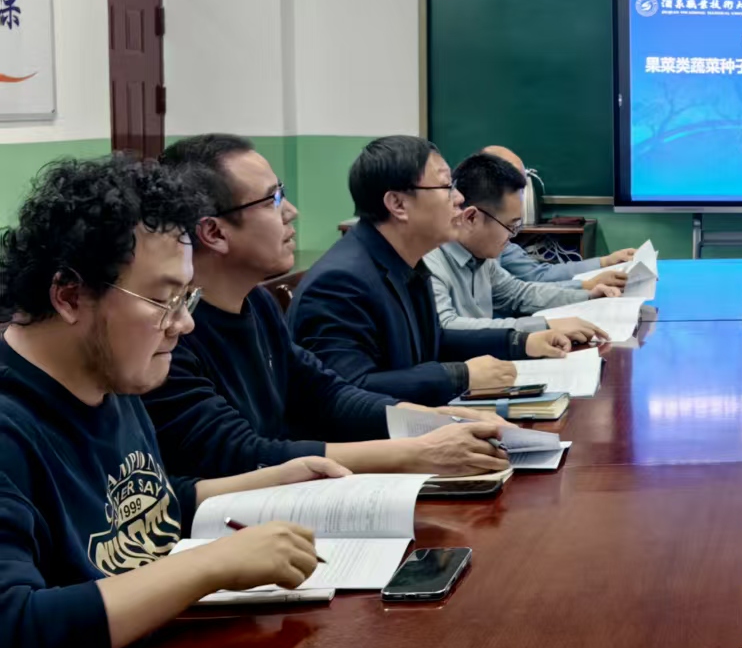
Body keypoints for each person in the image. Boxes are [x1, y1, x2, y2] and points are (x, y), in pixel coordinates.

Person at [0, 155, 346, 648]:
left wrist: (271, 480)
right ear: (70, 295)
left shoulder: (111, 376)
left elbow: (141, 508)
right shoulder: (12, 426)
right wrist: (211, 564)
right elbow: (15, 631)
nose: (184, 324)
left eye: (189, 296)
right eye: (164, 299)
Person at [149, 134, 508, 479]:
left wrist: (435, 422)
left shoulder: (256, 302)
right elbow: (240, 453)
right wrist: (419, 451)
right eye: (273, 199)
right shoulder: (168, 335)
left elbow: (328, 394)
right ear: (214, 232)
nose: (291, 211)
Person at [290, 137, 591, 406]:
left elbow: (435, 340)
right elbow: (349, 391)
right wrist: (461, 376)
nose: (459, 199)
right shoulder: (340, 283)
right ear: (398, 204)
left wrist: (520, 342)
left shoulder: (407, 261)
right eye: (446, 187)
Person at [425, 152, 620, 337]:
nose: (513, 235)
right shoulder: (428, 261)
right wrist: (544, 326)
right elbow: (446, 326)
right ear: (471, 218)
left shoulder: (481, 256)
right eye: (510, 225)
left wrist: (587, 296)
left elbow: (519, 294)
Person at [481, 145, 635, 286]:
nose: (520, 196)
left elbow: (538, 276)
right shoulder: (478, 246)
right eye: (516, 187)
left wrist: (605, 262)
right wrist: (587, 285)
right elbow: (520, 295)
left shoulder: (498, 242)